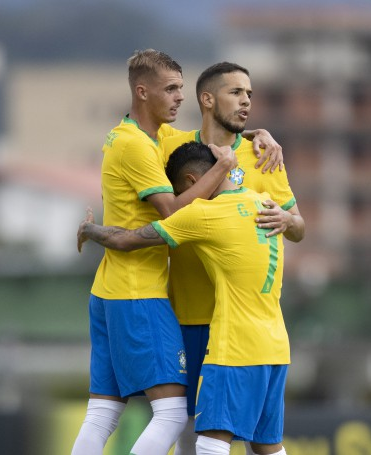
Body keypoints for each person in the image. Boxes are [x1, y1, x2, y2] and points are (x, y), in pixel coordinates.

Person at [70, 49, 283, 455]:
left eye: (182, 88)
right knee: (171, 413)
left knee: (102, 414)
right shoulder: (137, 146)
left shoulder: (148, 137)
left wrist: (258, 134)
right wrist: (222, 170)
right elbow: (169, 211)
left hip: (110, 289)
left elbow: (210, 137)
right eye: (170, 89)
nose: (179, 97)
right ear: (142, 91)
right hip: (139, 292)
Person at [160, 62, 304, 455]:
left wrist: (288, 219)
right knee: (187, 426)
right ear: (207, 99)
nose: (246, 101)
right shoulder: (173, 145)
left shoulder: (263, 157)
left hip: (240, 326)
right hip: (188, 316)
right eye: (236, 93)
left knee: (230, 436)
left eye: (250, 95)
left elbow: (300, 227)